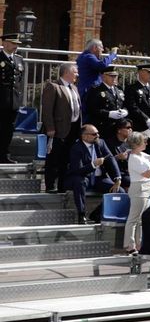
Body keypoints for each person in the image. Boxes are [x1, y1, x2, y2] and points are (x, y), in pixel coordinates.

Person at [40, 63, 81, 194]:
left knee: (66, 159)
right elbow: (47, 110)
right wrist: (50, 127)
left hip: (73, 129)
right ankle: (50, 185)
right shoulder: (54, 86)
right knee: (53, 159)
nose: (77, 75)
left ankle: (62, 185)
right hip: (58, 130)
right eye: (75, 72)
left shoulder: (74, 88)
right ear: (67, 72)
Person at [65, 123, 112, 224]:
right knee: (79, 182)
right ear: (84, 136)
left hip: (100, 178)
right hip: (84, 177)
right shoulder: (76, 148)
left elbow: (110, 158)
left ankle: (97, 214)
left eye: (98, 133)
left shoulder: (101, 143)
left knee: (119, 190)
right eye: (94, 134)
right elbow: (78, 170)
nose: (97, 136)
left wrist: (118, 178)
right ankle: (81, 214)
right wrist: (93, 165)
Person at [121, 132, 150, 252]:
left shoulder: (142, 155)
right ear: (137, 144)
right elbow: (147, 174)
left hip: (147, 188)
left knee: (141, 219)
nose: (146, 143)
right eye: (144, 141)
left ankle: (139, 244)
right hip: (139, 189)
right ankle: (129, 245)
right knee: (134, 219)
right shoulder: (134, 158)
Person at [0, 32, 21, 164]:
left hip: (13, 101)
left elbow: (19, 81)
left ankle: (4, 155)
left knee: (9, 129)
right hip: (1, 100)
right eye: (13, 43)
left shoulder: (19, 59)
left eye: (17, 44)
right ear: (5, 43)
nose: (16, 46)